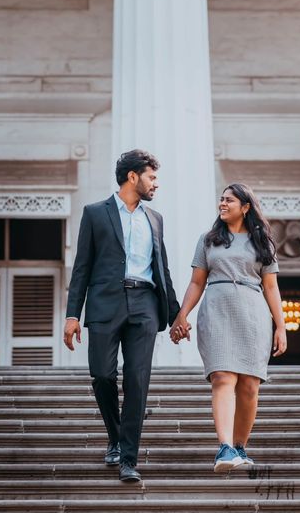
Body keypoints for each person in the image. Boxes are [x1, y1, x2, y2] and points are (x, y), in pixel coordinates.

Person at [64, 149, 182, 482]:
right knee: (102, 374)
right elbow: (81, 268)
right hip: (105, 303)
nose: (155, 184)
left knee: (137, 380)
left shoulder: (154, 218)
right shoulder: (95, 214)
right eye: (151, 177)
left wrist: (176, 316)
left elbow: (163, 269)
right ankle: (115, 437)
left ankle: (128, 457)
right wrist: (73, 314)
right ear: (133, 177)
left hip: (144, 304)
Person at [170, 183, 287, 473]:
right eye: (221, 199)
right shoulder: (208, 240)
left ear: (245, 207)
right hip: (217, 309)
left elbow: (271, 288)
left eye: (229, 200)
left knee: (249, 386)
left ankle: (239, 446)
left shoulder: (264, 244)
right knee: (222, 377)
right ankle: (224, 447)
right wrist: (182, 316)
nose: (222, 204)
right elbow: (197, 282)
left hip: (253, 312)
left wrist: (281, 327)